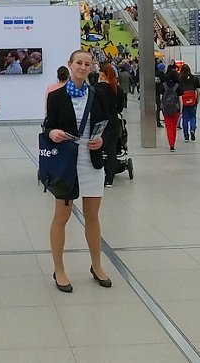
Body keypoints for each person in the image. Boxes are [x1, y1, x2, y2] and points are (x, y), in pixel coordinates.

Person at [44, 50, 110, 293]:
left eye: (87, 64)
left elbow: (109, 125)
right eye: (79, 63)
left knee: (93, 216)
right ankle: (59, 269)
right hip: (67, 165)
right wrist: (52, 133)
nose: (83, 67)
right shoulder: (57, 97)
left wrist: (102, 141)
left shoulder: (98, 95)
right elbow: (48, 126)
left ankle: (97, 265)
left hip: (91, 162)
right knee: (61, 216)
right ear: (70, 65)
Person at [96, 64, 124, 187]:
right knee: (111, 151)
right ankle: (109, 179)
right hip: (114, 123)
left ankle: (99, 175)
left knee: (97, 149)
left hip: (100, 123)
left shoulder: (96, 88)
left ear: (102, 75)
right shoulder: (117, 89)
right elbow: (120, 108)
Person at [178, 64, 200, 142]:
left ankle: (186, 136)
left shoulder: (179, 79)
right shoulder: (195, 78)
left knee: (185, 118)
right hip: (192, 101)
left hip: (183, 102)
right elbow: (198, 91)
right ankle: (192, 129)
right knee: (193, 117)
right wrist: (197, 100)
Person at [160, 66, 181, 152]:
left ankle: (171, 144)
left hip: (166, 109)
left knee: (168, 126)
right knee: (174, 126)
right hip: (175, 109)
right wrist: (181, 110)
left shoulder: (163, 86)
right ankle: (173, 142)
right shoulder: (178, 86)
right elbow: (180, 99)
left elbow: (161, 97)